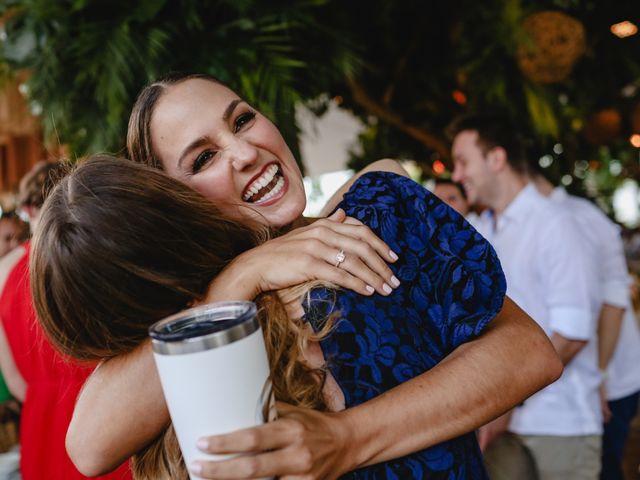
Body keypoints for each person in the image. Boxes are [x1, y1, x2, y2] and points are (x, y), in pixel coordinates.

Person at [67, 73, 562, 479]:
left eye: (242, 120)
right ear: (176, 203)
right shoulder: (197, 314)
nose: (244, 152)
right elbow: (89, 447)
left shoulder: (375, 216)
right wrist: (243, 276)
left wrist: (346, 440)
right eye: (204, 158)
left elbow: (529, 353)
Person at [451, 114, 602, 480]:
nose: (456, 175)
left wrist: (505, 400)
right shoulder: (482, 230)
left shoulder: (556, 224)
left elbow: (573, 332)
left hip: (559, 424)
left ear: (497, 160)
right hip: (497, 422)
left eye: (462, 162)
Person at [0, 161, 132, 480]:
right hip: (106, 410)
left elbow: (14, 378)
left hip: (41, 422)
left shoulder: (3, 272)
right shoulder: (90, 250)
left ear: (30, 210)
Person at [530, 171, 640, 480]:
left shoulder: (578, 218)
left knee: (605, 467)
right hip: (580, 383)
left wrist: (601, 375)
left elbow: (614, 301)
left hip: (612, 377)